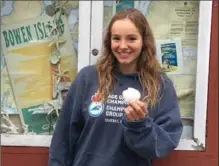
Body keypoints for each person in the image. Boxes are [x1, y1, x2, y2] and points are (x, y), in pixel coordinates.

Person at [48, 8, 183, 166]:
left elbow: (161, 146)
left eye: (132, 39)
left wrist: (139, 125)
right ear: (109, 41)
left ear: (144, 41)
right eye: (116, 38)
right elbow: (63, 138)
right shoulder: (88, 78)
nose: (123, 46)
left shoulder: (160, 85)